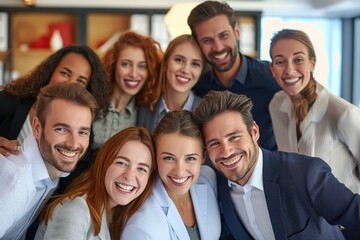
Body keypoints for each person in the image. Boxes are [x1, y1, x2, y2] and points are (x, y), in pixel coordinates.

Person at [191, 90, 360, 240]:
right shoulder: (217, 186)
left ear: (254, 132)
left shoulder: (306, 174)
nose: (226, 152)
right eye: (214, 143)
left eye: (234, 137)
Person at [0, 83, 98, 240]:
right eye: (62, 129)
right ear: (37, 128)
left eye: (82, 132)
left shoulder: (51, 170)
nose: (73, 144)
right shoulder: (15, 182)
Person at [268, 29, 360, 194]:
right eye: (280, 61)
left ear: (312, 62)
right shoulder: (276, 105)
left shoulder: (343, 114)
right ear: (272, 68)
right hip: (303, 213)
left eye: (298, 59)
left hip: (344, 216)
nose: (289, 70)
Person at [187, 1, 281, 151]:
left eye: (223, 35)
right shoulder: (196, 84)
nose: (218, 47)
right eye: (207, 40)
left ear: (236, 32)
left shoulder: (271, 76)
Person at [34, 126, 157, 240]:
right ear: (104, 162)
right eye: (121, 163)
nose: (129, 176)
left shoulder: (111, 214)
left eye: (141, 169)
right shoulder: (76, 210)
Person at [122, 110, 221, 240]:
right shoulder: (141, 227)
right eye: (168, 158)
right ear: (155, 157)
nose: (179, 171)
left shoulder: (208, 178)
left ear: (203, 156)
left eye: (190, 158)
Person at [0, 45, 109, 157]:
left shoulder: (82, 132)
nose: (70, 83)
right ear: (50, 72)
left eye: (80, 81)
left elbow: (79, 172)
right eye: (65, 73)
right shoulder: (10, 100)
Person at [92, 31, 162, 150]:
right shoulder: (92, 100)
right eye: (126, 64)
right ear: (114, 65)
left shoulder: (145, 112)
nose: (134, 74)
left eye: (142, 66)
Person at [137, 34, 205, 133]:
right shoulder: (144, 109)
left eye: (195, 64)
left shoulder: (207, 113)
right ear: (166, 63)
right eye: (179, 60)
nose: (185, 70)